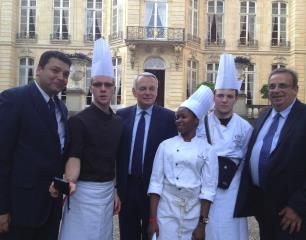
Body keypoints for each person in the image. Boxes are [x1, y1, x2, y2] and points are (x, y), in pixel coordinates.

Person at [0, 51, 71, 239]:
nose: (61, 77)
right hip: (20, 208)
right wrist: (2, 208)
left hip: (51, 206)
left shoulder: (61, 108)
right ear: (38, 70)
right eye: (55, 70)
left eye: (65, 74)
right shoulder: (14, 99)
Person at [58, 38, 122, 240]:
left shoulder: (118, 122)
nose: (103, 89)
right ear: (91, 88)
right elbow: (74, 156)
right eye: (98, 84)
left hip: (107, 192)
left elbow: (115, 160)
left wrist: (116, 191)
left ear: (114, 88)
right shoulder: (79, 121)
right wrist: (70, 182)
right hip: (82, 193)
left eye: (108, 85)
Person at [235, 68, 306, 240]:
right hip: (263, 204)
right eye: (272, 86)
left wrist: (298, 207)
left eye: (282, 86)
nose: (276, 90)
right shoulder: (264, 114)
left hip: (290, 210)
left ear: (295, 89)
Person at [147, 85, 218, 240]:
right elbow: (155, 184)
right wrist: (153, 220)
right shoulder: (165, 146)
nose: (179, 120)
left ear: (196, 121)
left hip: (193, 212)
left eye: (183, 117)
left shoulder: (208, 150)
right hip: (166, 211)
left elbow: (208, 191)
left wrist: (202, 225)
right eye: (177, 117)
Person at [116, 72, 177, 240]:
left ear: (157, 92)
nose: (148, 92)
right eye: (143, 88)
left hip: (154, 189)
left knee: (152, 234)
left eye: (152, 89)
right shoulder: (121, 116)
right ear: (134, 92)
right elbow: (116, 152)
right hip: (127, 187)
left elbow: (172, 155)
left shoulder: (169, 118)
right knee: (127, 233)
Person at [203, 54, 253, 240]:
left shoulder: (245, 127)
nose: (224, 100)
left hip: (232, 191)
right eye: (220, 95)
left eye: (229, 96)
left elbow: (248, 161)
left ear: (235, 98)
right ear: (214, 97)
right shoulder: (202, 124)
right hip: (206, 190)